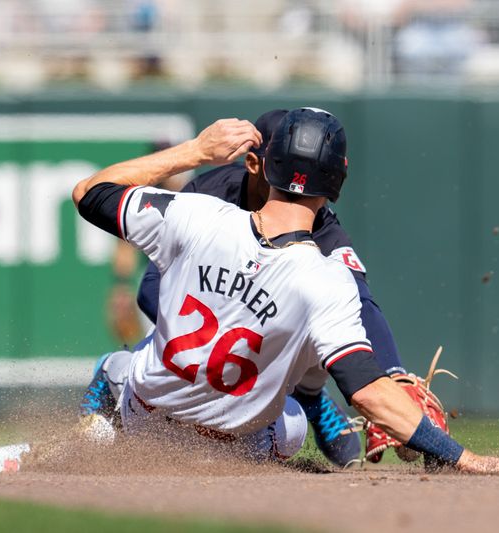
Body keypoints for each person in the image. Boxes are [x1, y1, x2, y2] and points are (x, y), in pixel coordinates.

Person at [72, 108, 499, 475]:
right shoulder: (327, 278)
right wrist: (464, 457)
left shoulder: (194, 213)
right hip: (234, 446)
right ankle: (301, 399)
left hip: (144, 414)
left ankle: (94, 432)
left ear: (260, 164)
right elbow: (366, 391)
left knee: (119, 364)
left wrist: (195, 150)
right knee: (293, 421)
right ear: (338, 182)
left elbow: (89, 192)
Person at [131, 109, 415, 467]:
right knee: (126, 363)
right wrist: (220, 336)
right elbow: (150, 288)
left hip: (269, 348)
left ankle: (310, 396)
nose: (296, 177)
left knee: (326, 324)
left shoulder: (318, 218)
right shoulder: (211, 193)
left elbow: (361, 303)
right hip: (202, 336)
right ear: (254, 164)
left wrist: (394, 375)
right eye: (281, 161)